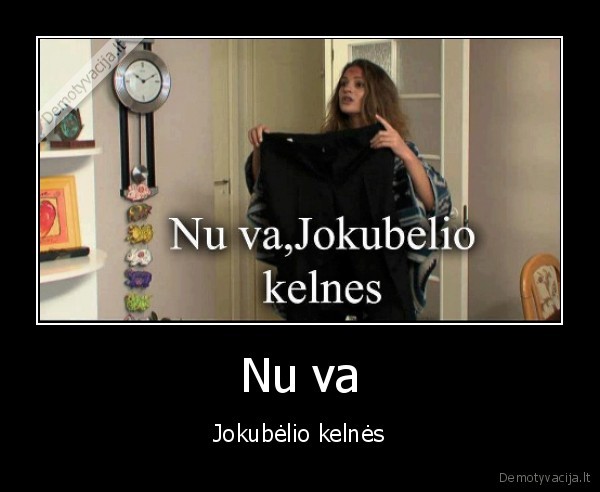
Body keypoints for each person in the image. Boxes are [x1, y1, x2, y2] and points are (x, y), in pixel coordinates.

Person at [244, 59, 452, 321]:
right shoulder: (322, 152)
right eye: (343, 83)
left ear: (376, 94)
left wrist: (404, 152)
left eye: (359, 84)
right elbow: (267, 188)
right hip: (323, 266)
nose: (347, 89)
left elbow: (437, 203)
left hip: (379, 268)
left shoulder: (393, 150)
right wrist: (262, 150)